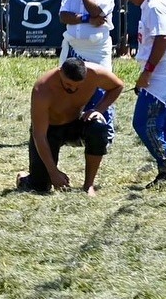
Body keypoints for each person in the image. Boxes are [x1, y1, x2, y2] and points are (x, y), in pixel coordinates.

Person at [16, 57, 124, 196]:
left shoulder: (95, 73)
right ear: (60, 72)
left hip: (75, 123)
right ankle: (24, 177)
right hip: (50, 130)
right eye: (68, 84)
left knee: (99, 129)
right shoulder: (42, 89)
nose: (72, 88)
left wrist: (98, 109)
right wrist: (53, 172)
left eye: (77, 85)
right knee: (41, 187)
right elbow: (39, 135)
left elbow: (118, 86)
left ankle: (88, 185)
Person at [116, 0, 166, 186]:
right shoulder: (157, 4)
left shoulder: (154, 6)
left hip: (162, 76)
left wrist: (148, 71)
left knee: (144, 122)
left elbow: (163, 38)